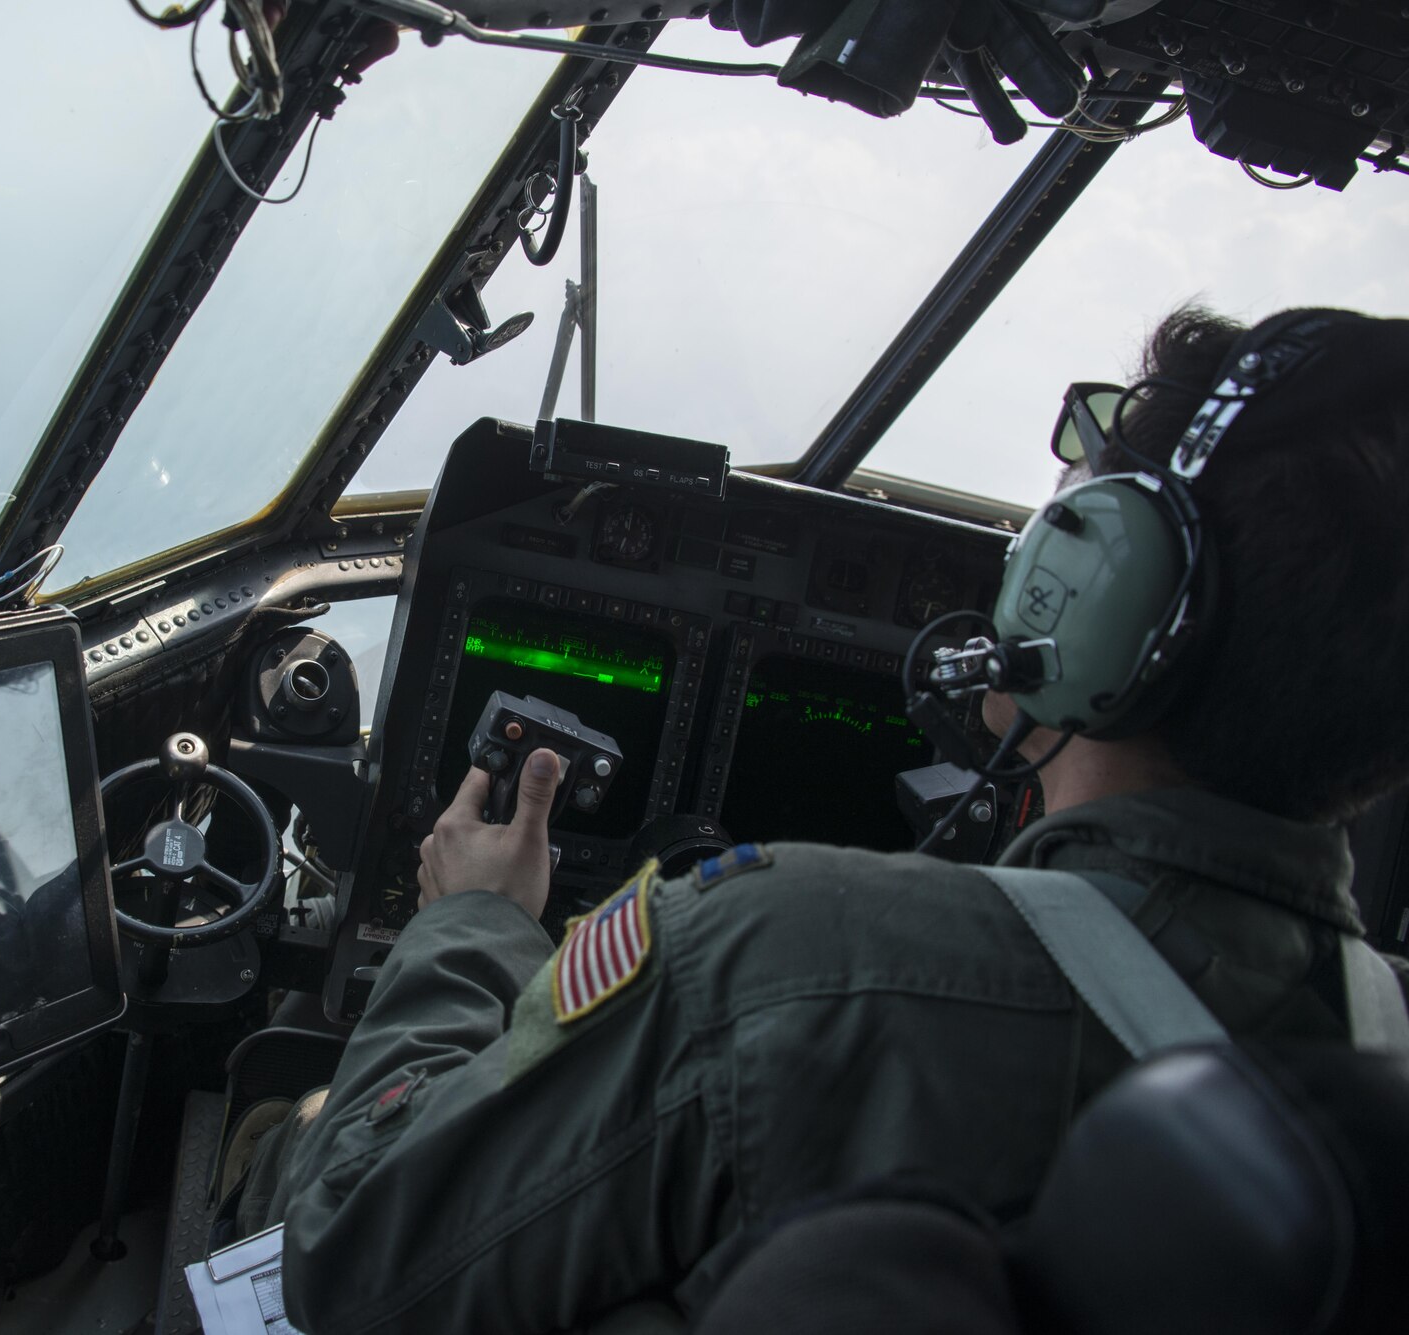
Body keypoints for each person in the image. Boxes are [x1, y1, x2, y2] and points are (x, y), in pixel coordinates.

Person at [235, 307, 1409, 1335]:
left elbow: (352, 1256)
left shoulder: (782, 957)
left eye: (1070, 521)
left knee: (291, 1132)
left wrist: (474, 930)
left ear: (1109, 598)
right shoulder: (1382, 1068)